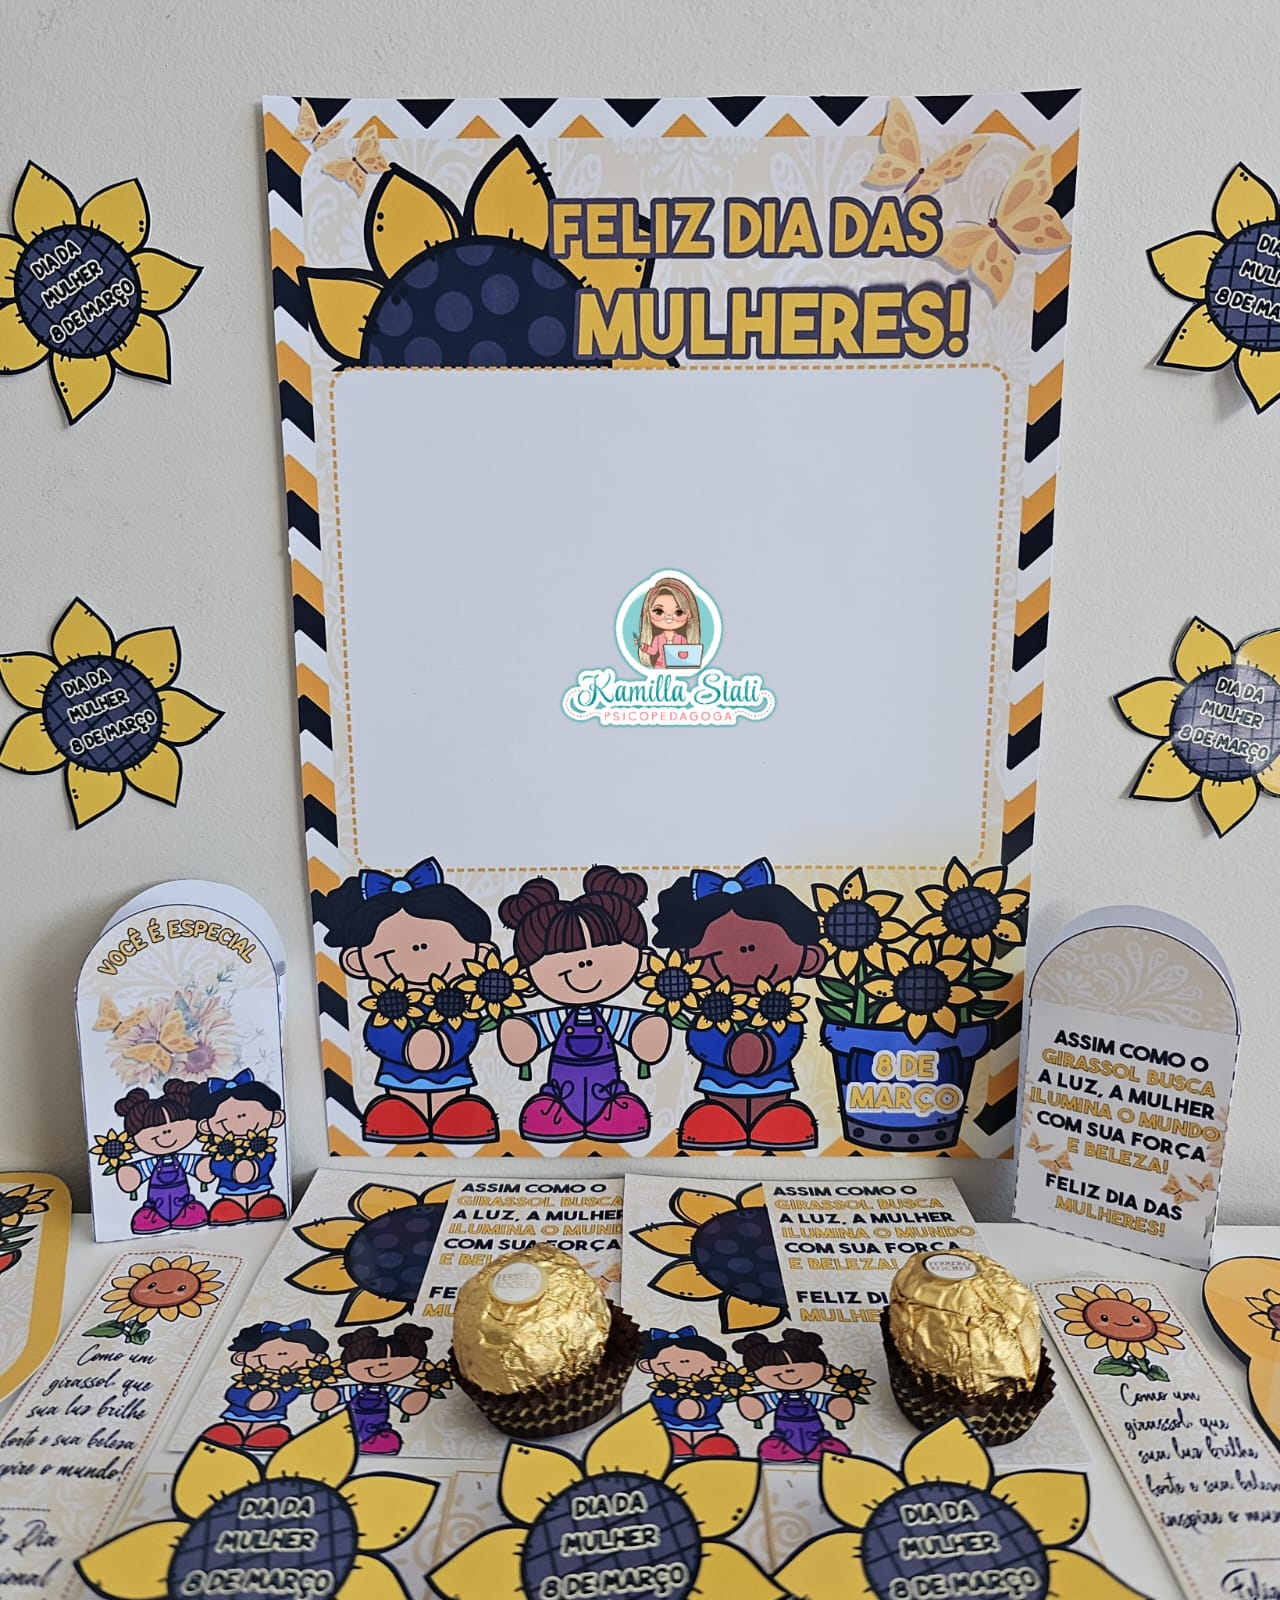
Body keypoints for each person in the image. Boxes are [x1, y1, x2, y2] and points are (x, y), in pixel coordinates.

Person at [319, 857, 499, 1144]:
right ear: (356, 961)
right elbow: (376, 1034)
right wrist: (404, 1047)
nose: (418, 949)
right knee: (399, 1111)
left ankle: (454, 1112)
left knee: (456, 1110)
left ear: (480, 953)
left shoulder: (461, 1001)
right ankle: (400, 1113)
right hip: (398, 1080)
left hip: (453, 1078)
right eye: (392, 949)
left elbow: (468, 1031)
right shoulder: (387, 1005)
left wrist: (446, 1045)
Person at [652, 857, 825, 1151]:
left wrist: (768, 1050)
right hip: (719, 1085)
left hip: (774, 1085)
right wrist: (725, 1051)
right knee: (716, 1115)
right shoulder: (709, 1008)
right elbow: (699, 1038)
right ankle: (720, 1119)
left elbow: (791, 1037)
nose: (743, 950)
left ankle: (775, 1118)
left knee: (777, 1114)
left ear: (810, 959)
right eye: (721, 946)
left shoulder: (783, 1006)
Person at [497, 869, 669, 1142]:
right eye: (562, 953)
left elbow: (633, 1030)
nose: (584, 963)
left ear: (641, 958)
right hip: (561, 1095)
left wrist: (644, 1034)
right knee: (543, 1114)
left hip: (608, 1094)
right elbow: (535, 1033)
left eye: (602, 949)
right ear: (527, 971)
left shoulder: (609, 1017)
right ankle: (561, 1116)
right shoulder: (557, 1019)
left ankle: (609, 1117)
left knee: (627, 1114)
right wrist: (524, 1036)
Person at [204, 1319, 329, 1451]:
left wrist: (274, 1398)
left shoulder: (291, 1383)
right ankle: (231, 1432)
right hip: (237, 1414)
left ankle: (264, 1436)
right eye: (263, 1355)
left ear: (317, 1359)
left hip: (270, 1418)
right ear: (240, 1357)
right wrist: (247, 1400)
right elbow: (232, 1394)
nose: (277, 1357)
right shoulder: (247, 1378)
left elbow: (289, 1395)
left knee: (267, 1432)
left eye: (284, 1354)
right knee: (230, 1431)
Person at [734, 1328, 853, 1462]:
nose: (789, 1371)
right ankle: (790, 1452)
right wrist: (754, 1405)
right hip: (784, 1438)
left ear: (825, 1370)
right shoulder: (777, 1398)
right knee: (770, 1447)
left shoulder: (811, 1397)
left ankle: (816, 1451)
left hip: (816, 1437)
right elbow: (759, 1408)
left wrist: (836, 1405)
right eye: (777, 1368)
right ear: (754, 1375)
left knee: (834, 1447)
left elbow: (829, 1404)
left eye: (801, 1364)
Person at [311, 1322, 433, 1455]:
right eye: (371, 1360)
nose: (382, 1364)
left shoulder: (389, 1391)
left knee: (390, 1440)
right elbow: (339, 1395)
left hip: (377, 1429)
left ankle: (366, 1444)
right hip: (349, 1426)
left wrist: (410, 1400)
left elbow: (404, 1399)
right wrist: (330, 1396)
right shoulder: (356, 1389)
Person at [191, 1069, 287, 1225]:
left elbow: (268, 1160)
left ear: (276, 1117)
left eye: (245, 1114)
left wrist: (255, 1168)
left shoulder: (264, 1145)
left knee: (263, 1206)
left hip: (260, 1187)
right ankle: (230, 1209)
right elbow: (219, 1164)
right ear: (205, 1126)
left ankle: (261, 1206)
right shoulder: (220, 1149)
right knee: (230, 1208)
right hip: (229, 1191)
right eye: (225, 1119)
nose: (238, 1119)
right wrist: (216, 1168)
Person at [112, 1080, 207, 1234]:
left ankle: (183, 1217)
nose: (166, 1131)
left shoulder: (181, 1160)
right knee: (145, 1219)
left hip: (182, 1204)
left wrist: (204, 1167)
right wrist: (132, 1175)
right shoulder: (152, 1163)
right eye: (155, 1127)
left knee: (196, 1213)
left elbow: (197, 1166)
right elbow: (139, 1172)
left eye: (175, 1123)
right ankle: (157, 1219)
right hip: (156, 1207)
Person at [637, 1325, 739, 1458]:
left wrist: (701, 1408)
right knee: (672, 1442)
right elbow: (659, 1403)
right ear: (646, 1365)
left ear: (720, 1365)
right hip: (672, 1426)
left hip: (706, 1426)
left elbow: (715, 1402)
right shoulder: (664, 1389)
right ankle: (676, 1448)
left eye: (685, 1361)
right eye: (666, 1364)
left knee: (711, 1443)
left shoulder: (710, 1388)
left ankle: (711, 1447)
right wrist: (676, 1408)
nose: (680, 1367)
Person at [636, 576, 701, 671]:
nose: (669, 618)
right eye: (659, 611)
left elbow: (686, 653)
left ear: (689, 614)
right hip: (660, 667)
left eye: (678, 612)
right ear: (648, 614)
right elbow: (653, 651)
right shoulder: (658, 639)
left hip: (677, 667)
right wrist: (643, 646)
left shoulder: (681, 639)